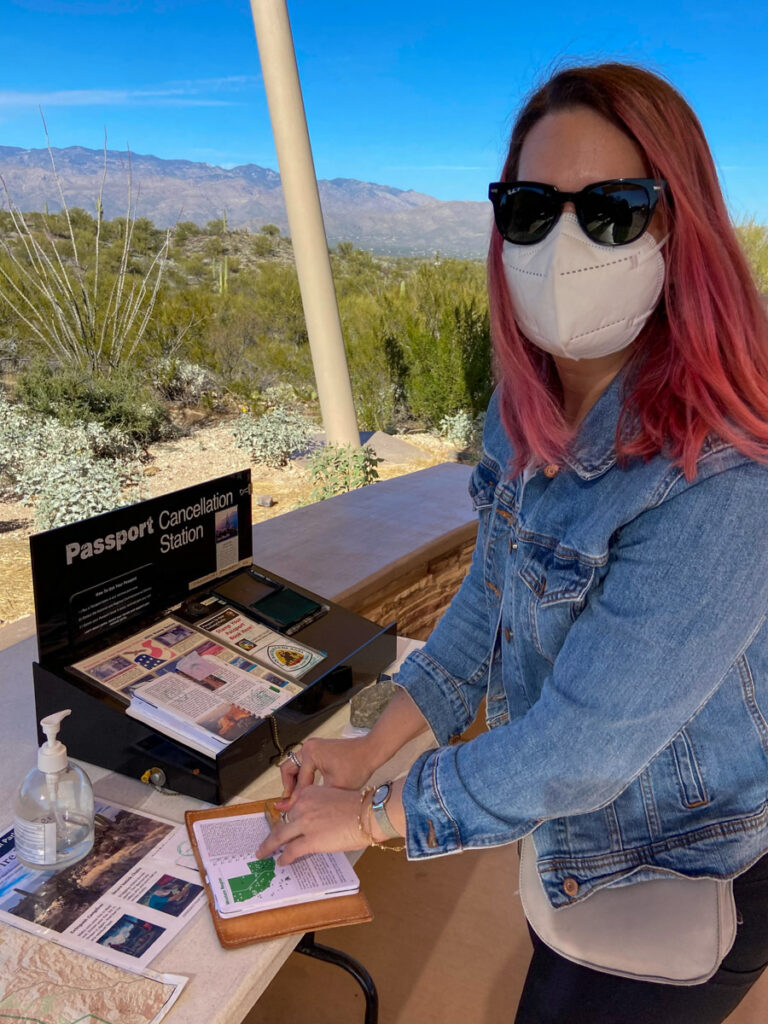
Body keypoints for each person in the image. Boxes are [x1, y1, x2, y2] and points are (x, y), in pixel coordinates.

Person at [256, 62, 768, 1022]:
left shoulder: (728, 477)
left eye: (613, 209)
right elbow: (487, 602)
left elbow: (581, 749)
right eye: (531, 208)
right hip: (571, 842)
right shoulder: (524, 409)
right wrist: (375, 747)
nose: (565, 243)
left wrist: (374, 817)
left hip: (681, 861)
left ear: (678, 226)